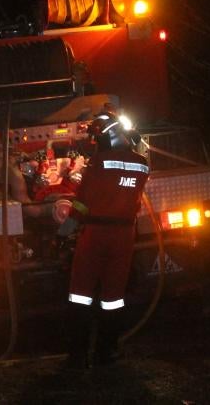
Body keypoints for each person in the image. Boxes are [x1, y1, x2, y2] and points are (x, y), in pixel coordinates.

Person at [62, 111, 149, 369]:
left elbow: (83, 203)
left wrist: (65, 229)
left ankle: (78, 357)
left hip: (96, 235)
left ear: (106, 135)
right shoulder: (142, 164)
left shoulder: (99, 163)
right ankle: (106, 353)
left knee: (80, 295)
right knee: (113, 297)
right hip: (124, 236)